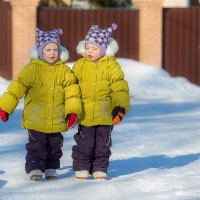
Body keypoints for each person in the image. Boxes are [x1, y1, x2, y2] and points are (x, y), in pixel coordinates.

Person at [0, 28, 82, 181]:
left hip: (57, 116)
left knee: (55, 145)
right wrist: (5, 107)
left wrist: (72, 111)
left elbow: (72, 93)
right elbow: (17, 88)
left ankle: (51, 167)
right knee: (36, 145)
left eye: (55, 49)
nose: (52, 53)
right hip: (35, 117)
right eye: (48, 49)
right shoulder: (31, 69)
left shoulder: (64, 71)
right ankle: (35, 168)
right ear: (40, 51)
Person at [72, 23, 130, 180]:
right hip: (85, 113)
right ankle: (82, 167)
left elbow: (119, 87)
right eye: (88, 47)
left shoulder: (112, 66)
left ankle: (99, 168)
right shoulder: (79, 66)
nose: (90, 51)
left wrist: (120, 107)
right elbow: (70, 86)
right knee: (85, 142)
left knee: (102, 144)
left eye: (94, 48)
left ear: (104, 50)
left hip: (105, 114)